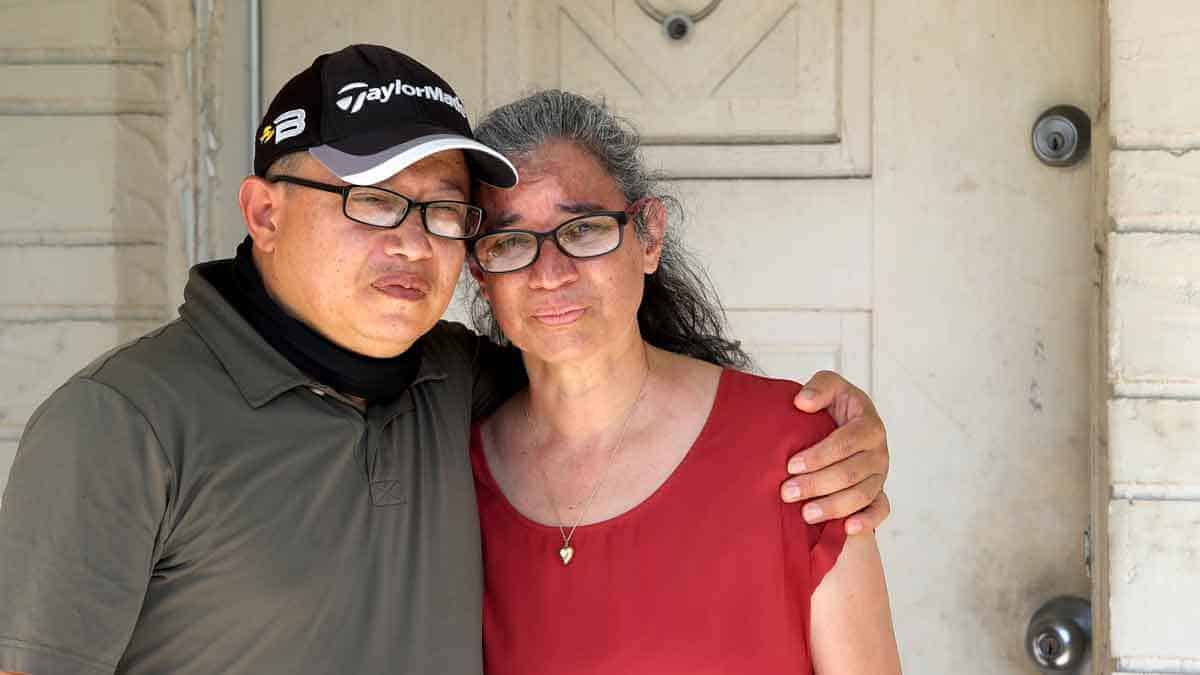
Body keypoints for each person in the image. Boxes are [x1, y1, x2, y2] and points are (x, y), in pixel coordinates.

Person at [0, 46, 889, 675]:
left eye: (441, 211)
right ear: (265, 213)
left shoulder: (452, 384)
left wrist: (844, 428)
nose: (412, 243)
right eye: (372, 200)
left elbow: (610, 389)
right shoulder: (121, 425)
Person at [466, 90, 902, 673]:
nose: (550, 274)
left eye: (584, 229)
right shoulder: (456, 479)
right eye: (511, 242)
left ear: (648, 236)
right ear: (480, 271)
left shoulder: (796, 453)